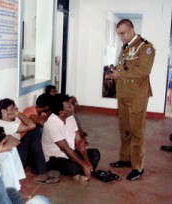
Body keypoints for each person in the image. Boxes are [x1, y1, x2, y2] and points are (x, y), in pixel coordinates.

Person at [105, 19, 155, 181]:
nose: (121, 36)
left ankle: (138, 167)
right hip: (124, 94)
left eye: (123, 33)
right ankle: (125, 159)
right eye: (119, 34)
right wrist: (115, 72)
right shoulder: (126, 48)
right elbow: (124, 67)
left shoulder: (145, 48)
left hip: (137, 96)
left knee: (136, 132)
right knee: (125, 130)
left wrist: (121, 74)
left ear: (132, 29)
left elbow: (144, 70)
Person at [41, 94, 100, 184]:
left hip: (71, 152)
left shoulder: (70, 117)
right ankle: (79, 172)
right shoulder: (51, 124)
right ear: (62, 112)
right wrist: (84, 165)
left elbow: (79, 141)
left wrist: (86, 161)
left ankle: (79, 173)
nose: (73, 106)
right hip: (55, 158)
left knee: (95, 154)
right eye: (69, 106)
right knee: (73, 166)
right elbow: (65, 149)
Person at [0, 98, 58, 183]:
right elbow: (32, 125)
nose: (16, 110)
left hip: (16, 155)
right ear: (4, 112)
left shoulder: (8, 124)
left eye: (15, 108)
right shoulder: (3, 124)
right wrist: (18, 113)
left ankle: (38, 168)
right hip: (11, 160)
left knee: (34, 139)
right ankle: (41, 172)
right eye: (13, 109)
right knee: (33, 132)